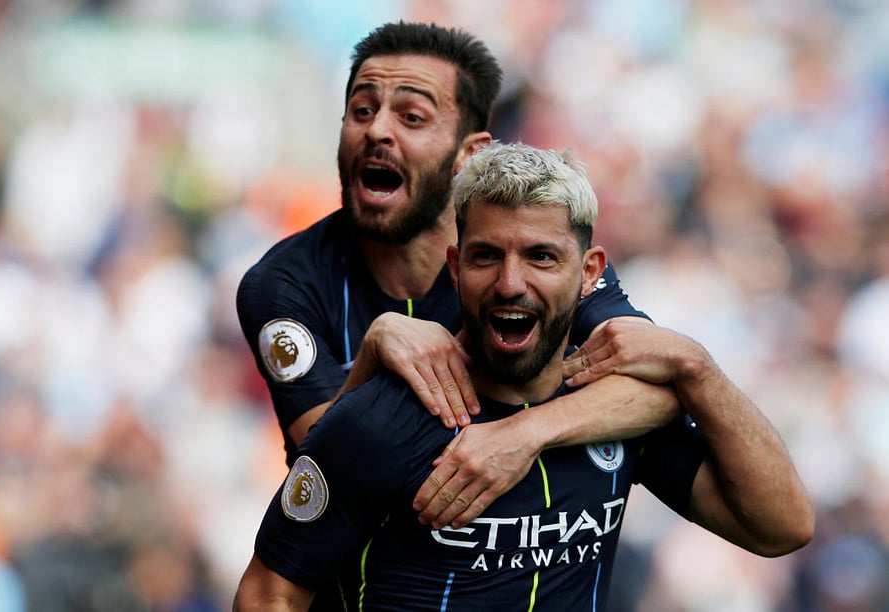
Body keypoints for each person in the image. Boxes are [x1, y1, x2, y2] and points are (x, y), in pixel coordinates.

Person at [233, 142, 814, 611]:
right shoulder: (379, 421)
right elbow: (269, 591)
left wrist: (699, 369)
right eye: (487, 256)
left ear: (589, 273)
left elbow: (780, 527)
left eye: (541, 257)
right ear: (456, 267)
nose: (511, 283)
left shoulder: (615, 411)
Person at [236, 20, 678, 531]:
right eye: (361, 111)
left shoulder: (535, 266)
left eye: (412, 116)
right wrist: (374, 355)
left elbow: (658, 387)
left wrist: (524, 433)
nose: (377, 130)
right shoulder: (283, 284)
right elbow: (327, 476)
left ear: (470, 154)